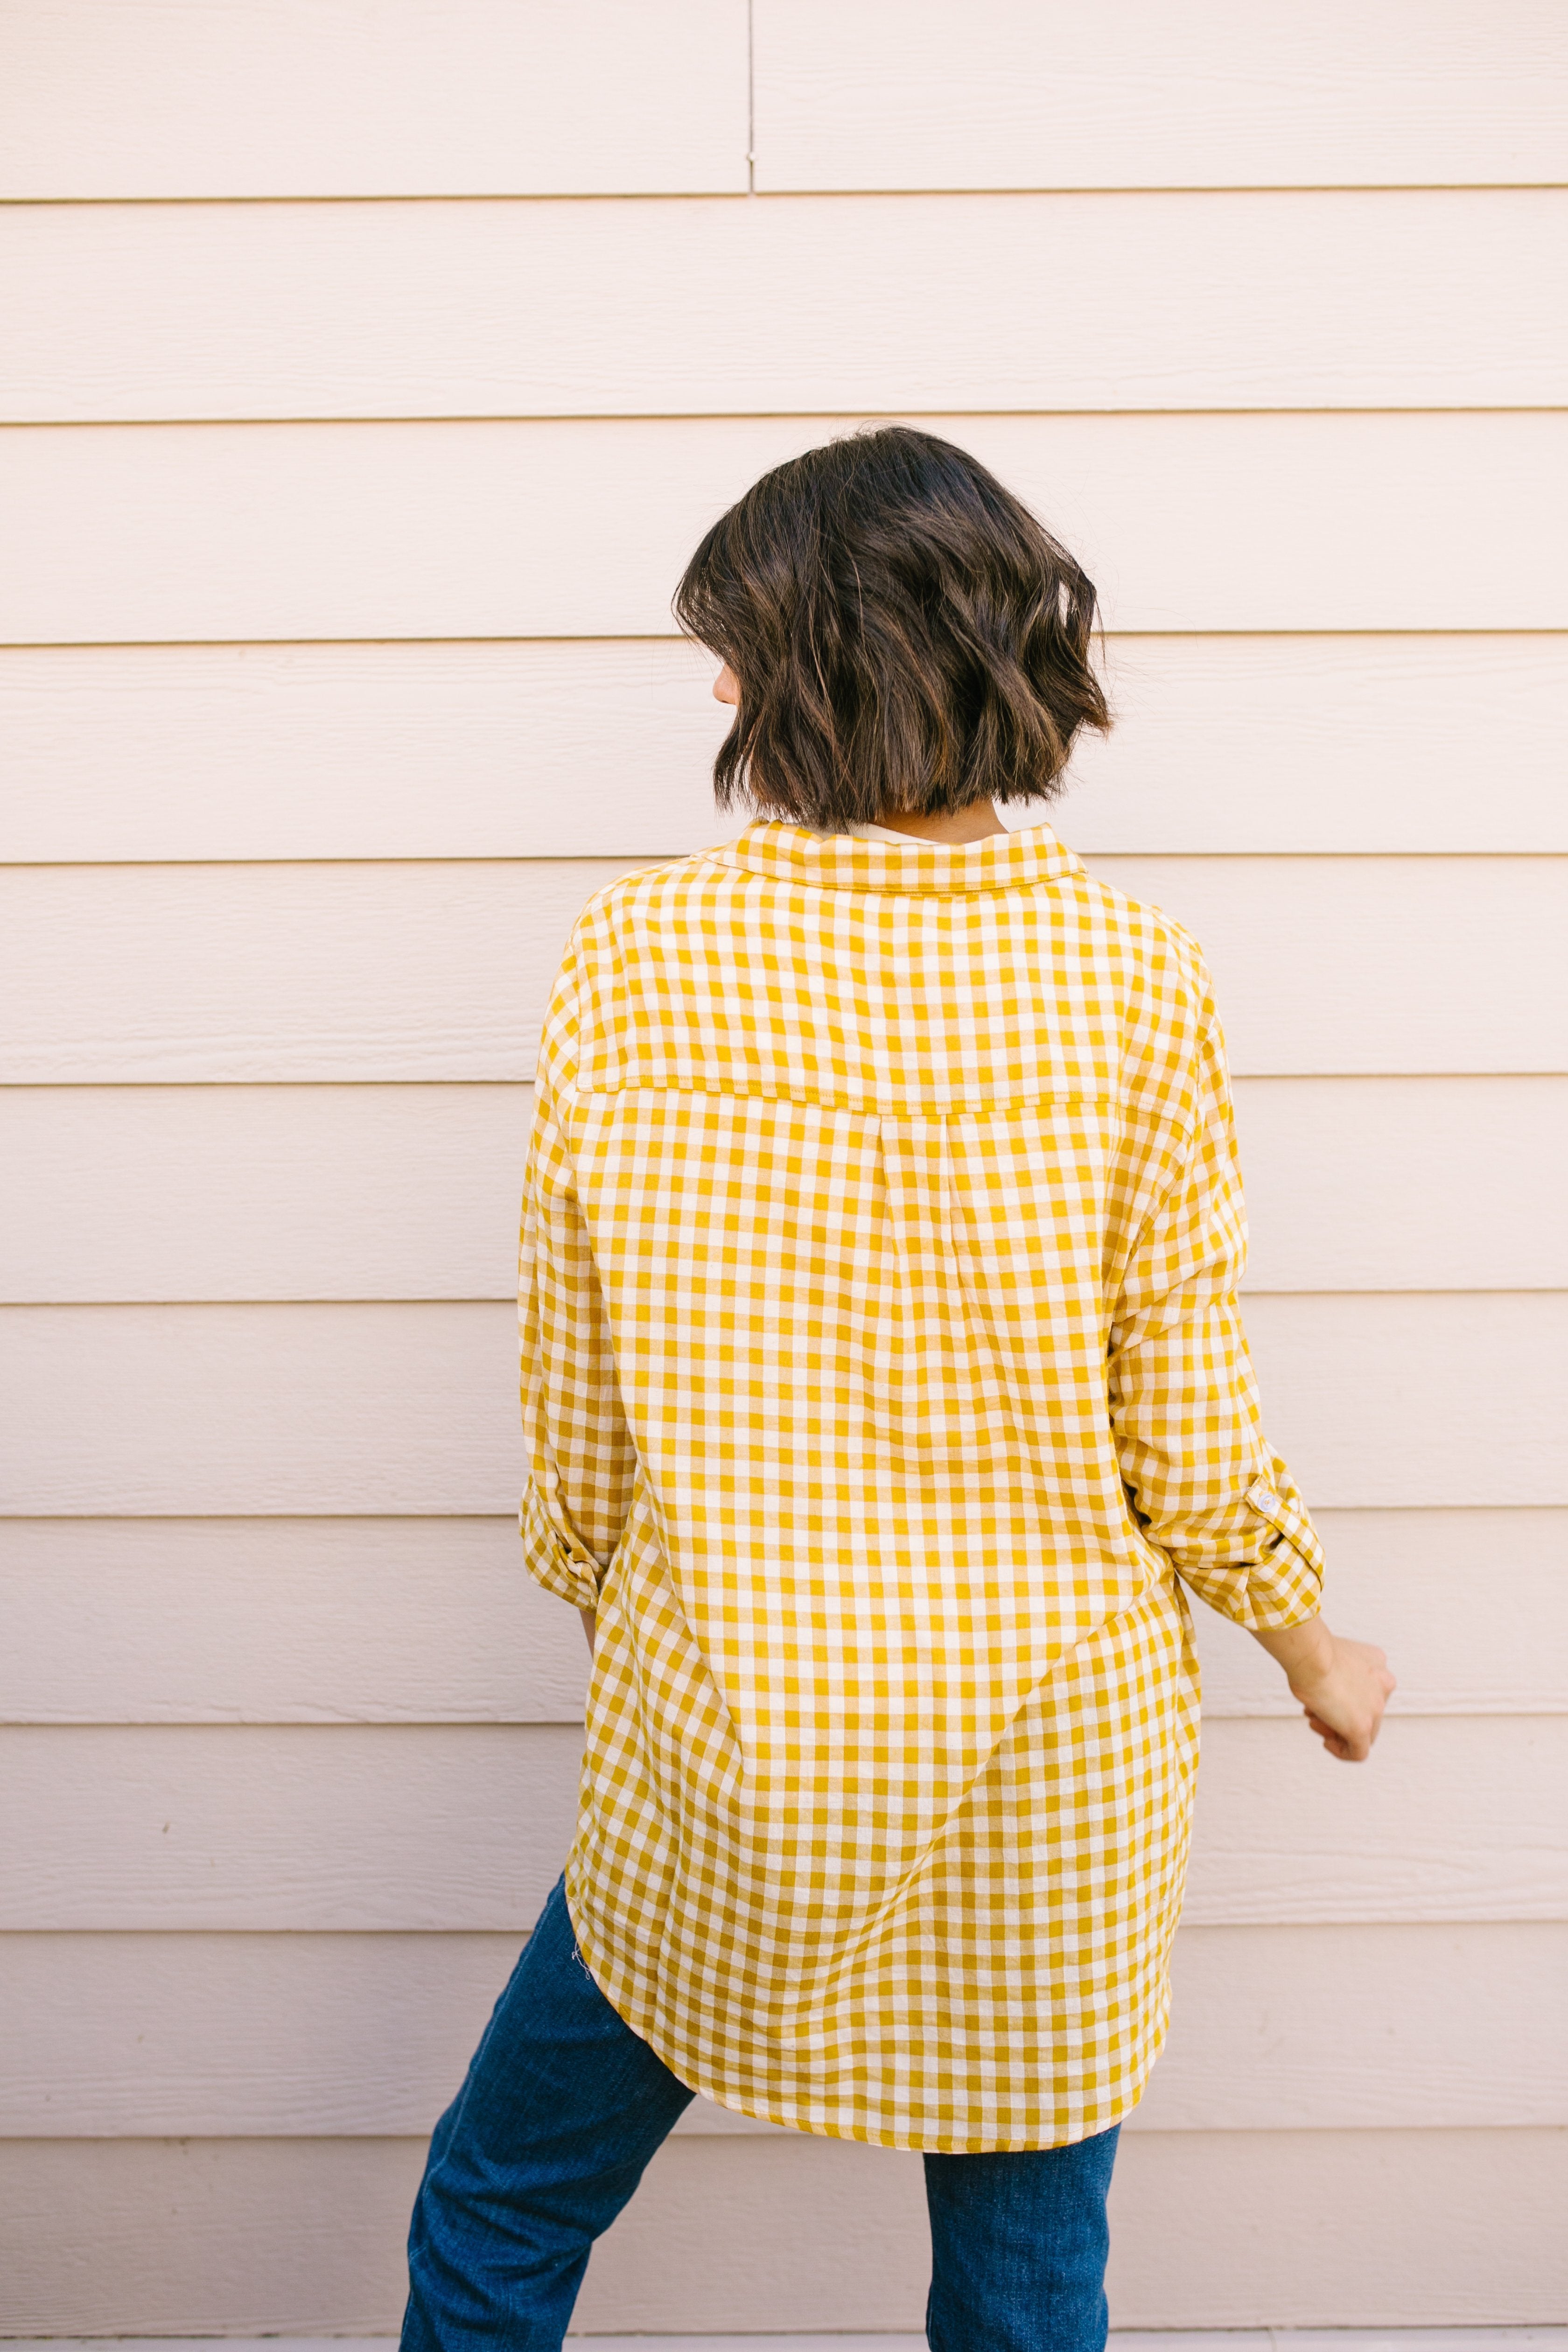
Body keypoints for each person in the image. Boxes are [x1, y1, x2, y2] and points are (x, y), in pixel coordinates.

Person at [400, 426, 1394, 2351]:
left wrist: (613, 1586)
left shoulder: (640, 953)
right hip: (1056, 1756)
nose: (716, 686)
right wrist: (1307, 1643)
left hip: (736, 1729)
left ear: (834, 664)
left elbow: (577, 1369)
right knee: (1028, 2287)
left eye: (742, 645)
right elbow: (1180, 1403)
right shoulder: (1131, 976)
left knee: (504, 2199)